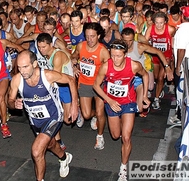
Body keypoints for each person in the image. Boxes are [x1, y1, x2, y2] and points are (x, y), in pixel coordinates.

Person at [7, 50, 78, 181]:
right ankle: (64, 158)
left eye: (25, 67)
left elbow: (71, 80)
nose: (22, 71)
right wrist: (14, 103)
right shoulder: (17, 80)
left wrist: (74, 105)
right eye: (20, 67)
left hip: (54, 116)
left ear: (34, 64)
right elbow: (9, 101)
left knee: (36, 150)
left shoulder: (47, 76)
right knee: (50, 144)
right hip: (35, 121)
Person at [93, 39, 149, 181]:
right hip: (111, 103)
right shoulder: (106, 67)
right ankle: (119, 122)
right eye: (113, 55)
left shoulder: (134, 66)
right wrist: (110, 100)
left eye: (118, 56)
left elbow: (145, 75)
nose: (115, 59)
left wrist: (145, 95)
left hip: (128, 102)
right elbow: (96, 86)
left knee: (126, 137)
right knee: (115, 135)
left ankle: (123, 168)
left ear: (125, 54)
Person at [36, 32, 80, 150]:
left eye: (44, 47)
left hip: (65, 87)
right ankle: (59, 142)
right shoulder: (47, 55)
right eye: (39, 47)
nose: (41, 50)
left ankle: (77, 107)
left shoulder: (58, 55)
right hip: (55, 88)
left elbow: (54, 77)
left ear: (51, 45)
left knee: (67, 120)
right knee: (55, 116)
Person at [71, 22, 110, 150]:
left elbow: (109, 70)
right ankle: (93, 117)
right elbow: (74, 55)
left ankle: (100, 137)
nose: (90, 39)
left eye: (92, 36)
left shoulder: (103, 51)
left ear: (98, 36)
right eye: (87, 36)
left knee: (100, 112)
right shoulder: (80, 46)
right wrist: (75, 64)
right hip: (84, 83)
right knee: (87, 115)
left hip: (99, 85)